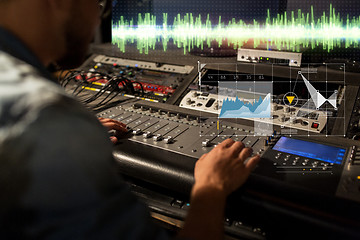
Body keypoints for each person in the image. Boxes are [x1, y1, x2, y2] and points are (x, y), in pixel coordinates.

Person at [0, 0, 260, 239]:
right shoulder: (47, 120)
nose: (96, 21)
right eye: (98, 5)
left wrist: (71, 143)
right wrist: (211, 189)